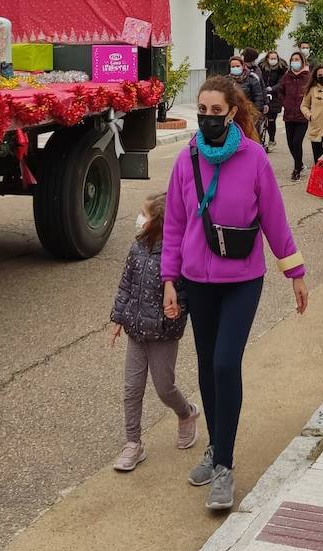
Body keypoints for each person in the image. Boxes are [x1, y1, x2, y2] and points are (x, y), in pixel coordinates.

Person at [163, 76, 309, 511]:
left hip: (243, 280)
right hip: (196, 281)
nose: (208, 119)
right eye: (202, 112)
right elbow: (173, 225)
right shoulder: (185, 159)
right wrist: (169, 279)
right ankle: (214, 446)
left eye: (216, 112)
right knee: (208, 366)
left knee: (226, 363)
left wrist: (295, 272)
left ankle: (224, 465)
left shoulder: (253, 159)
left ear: (232, 112)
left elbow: (275, 221)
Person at [110, 192, 201, 472]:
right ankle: (133, 444)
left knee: (164, 388)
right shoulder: (137, 247)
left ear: (159, 221)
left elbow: (184, 293)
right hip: (136, 330)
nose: (140, 219)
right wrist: (118, 318)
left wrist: (177, 312)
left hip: (163, 334)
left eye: (145, 215)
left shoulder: (177, 252)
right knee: (131, 389)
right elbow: (126, 283)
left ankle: (186, 413)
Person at [274, 50, 312, 180]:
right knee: (290, 143)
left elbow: (312, 93)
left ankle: (296, 169)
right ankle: (300, 164)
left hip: (302, 116)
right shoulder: (287, 76)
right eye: (293, 60)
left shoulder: (308, 76)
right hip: (289, 115)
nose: (294, 62)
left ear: (302, 61)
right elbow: (280, 90)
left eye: (297, 60)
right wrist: (284, 101)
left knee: (297, 142)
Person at [257, 50, 287, 147]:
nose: (273, 60)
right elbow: (259, 79)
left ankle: (272, 139)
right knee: (261, 119)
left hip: (275, 97)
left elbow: (281, 82)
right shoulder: (261, 68)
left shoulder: (281, 69)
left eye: (275, 58)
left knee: (271, 120)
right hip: (263, 94)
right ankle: (260, 139)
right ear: (267, 59)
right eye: (271, 58)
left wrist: (272, 88)